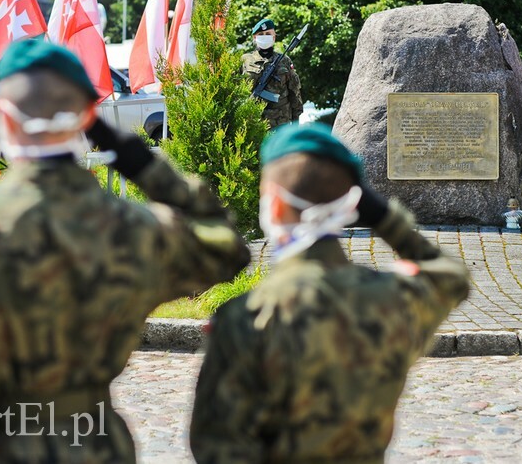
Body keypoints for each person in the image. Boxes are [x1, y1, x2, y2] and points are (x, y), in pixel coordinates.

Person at [0, 39, 250, 463]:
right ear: (86, 122)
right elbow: (226, 248)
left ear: (5, 121)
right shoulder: (135, 229)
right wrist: (140, 163)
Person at [190, 123, 471, 463]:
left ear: (275, 205)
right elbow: (452, 276)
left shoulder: (248, 316)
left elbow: (216, 446)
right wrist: (383, 216)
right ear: (350, 204)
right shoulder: (395, 299)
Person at [241, 18, 303, 129]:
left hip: (281, 123)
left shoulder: (284, 60)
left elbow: (295, 93)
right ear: (254, 38)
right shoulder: (245, 60)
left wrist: (295, 123)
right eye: (261, 34)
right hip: (253, 122)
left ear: (274, 37)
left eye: (268, 33)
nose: (264, 36)